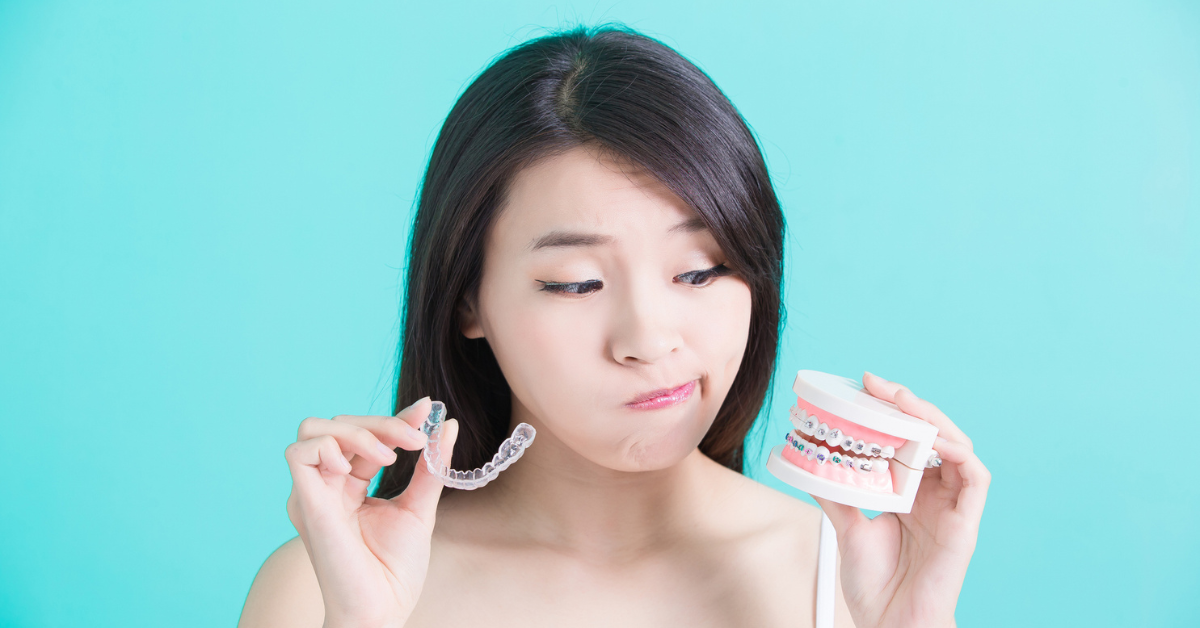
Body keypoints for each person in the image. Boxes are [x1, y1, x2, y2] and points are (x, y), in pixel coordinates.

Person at [238, 25, 989, 628]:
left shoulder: (846, 578)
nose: (649, 340)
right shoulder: (325, 588)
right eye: (577, 283)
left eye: (699, 272)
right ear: (467, 301)